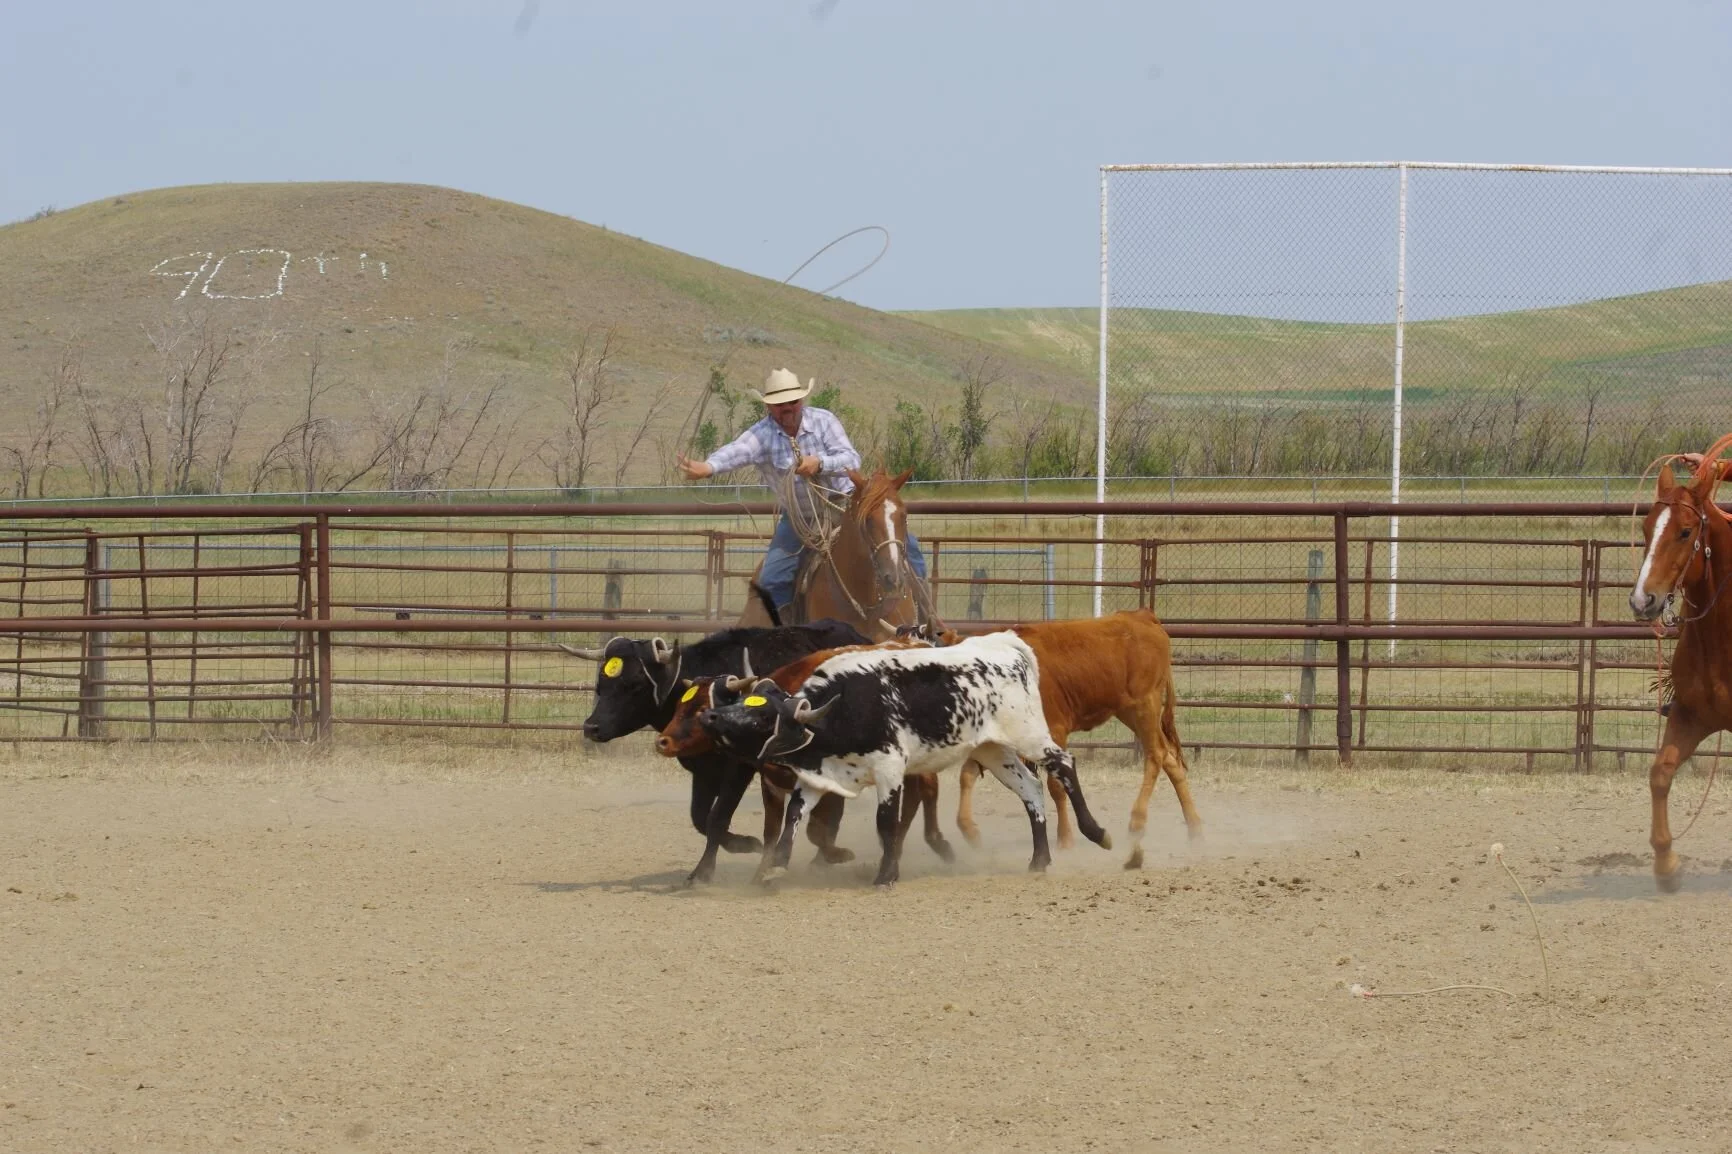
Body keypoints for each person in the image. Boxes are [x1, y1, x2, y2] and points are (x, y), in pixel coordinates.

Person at [676, 367, 927, 616]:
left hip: (845, 507)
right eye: (779, 404)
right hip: (800, 520)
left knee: (907, 549)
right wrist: (708, 467)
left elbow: (851, 459)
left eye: (793, 402)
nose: (787, 408)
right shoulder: (762, 434)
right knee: (772, 577)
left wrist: (819, 463)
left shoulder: (823, 421)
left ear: (801, 400)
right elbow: (737, 450)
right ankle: (786, 635)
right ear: (769, 407)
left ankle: (928, 620)